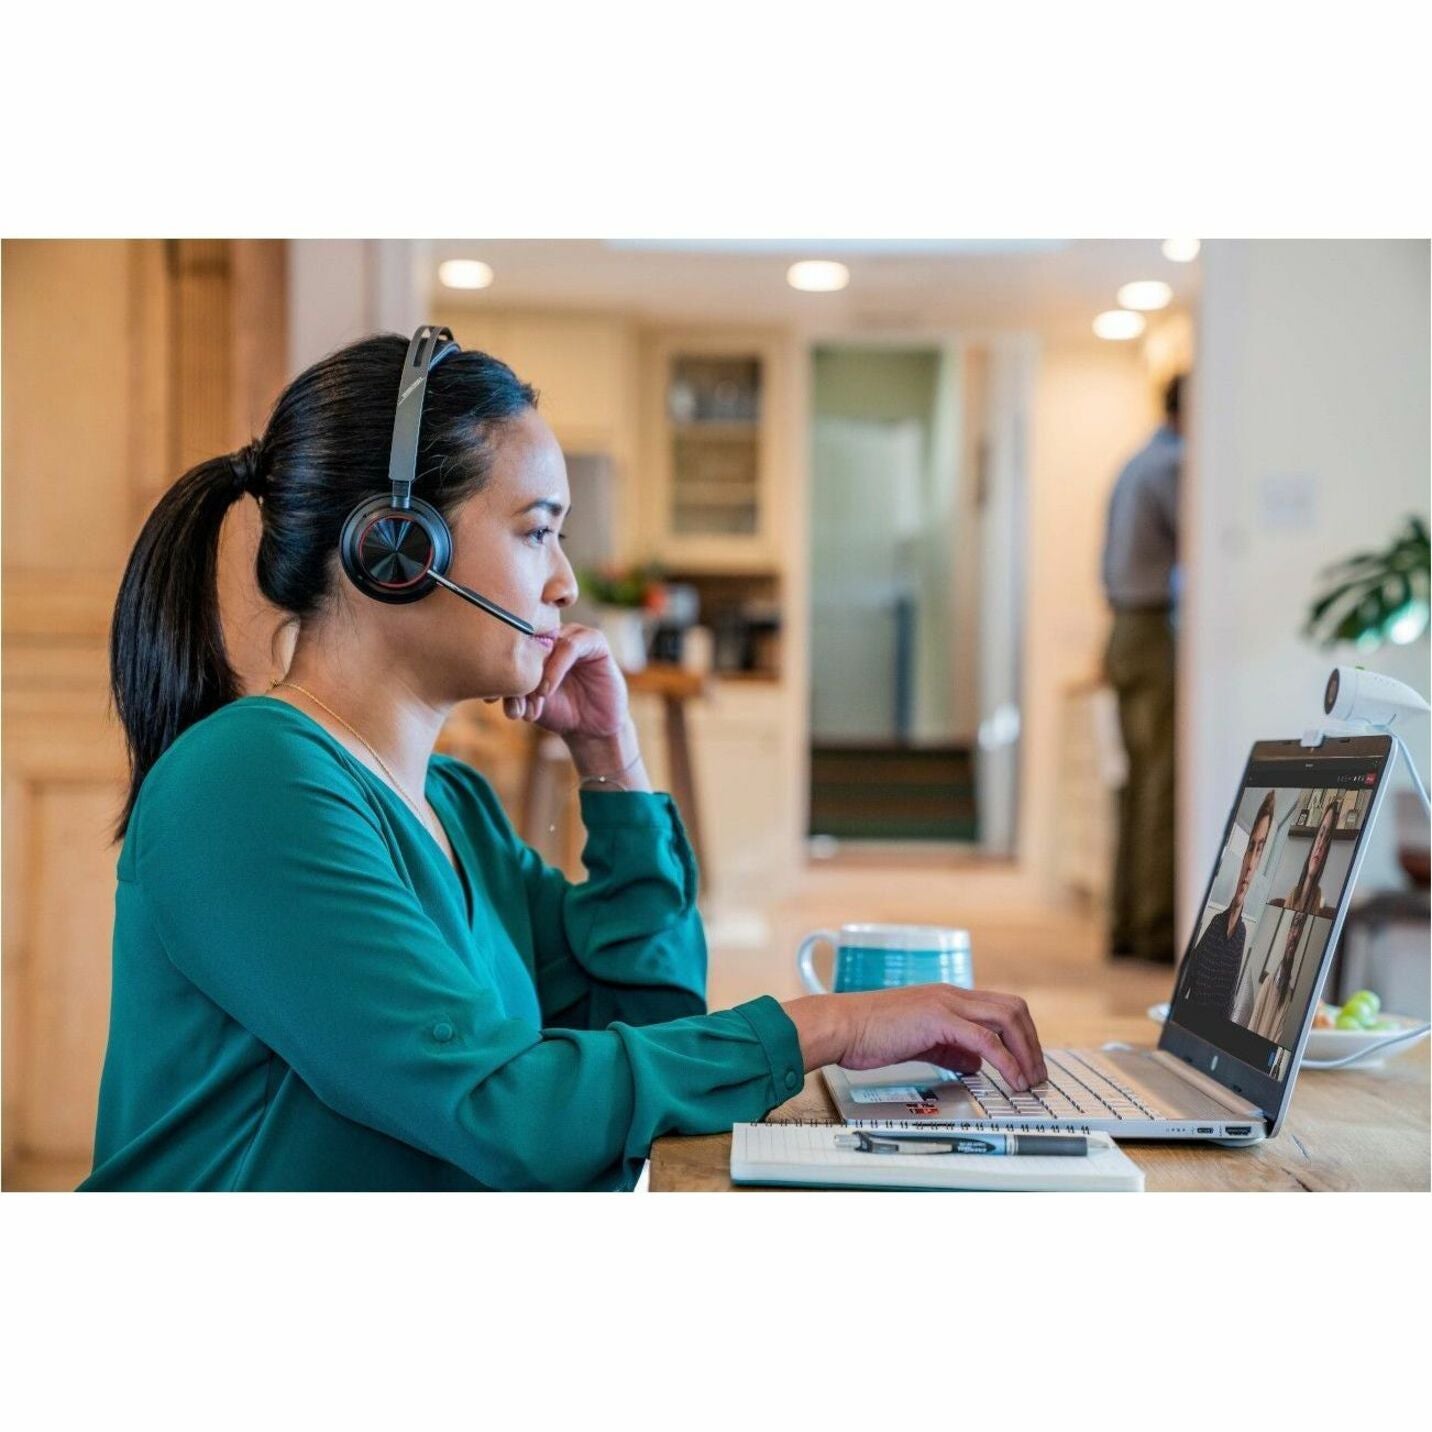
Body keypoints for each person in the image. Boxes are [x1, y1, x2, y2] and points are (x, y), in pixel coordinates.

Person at [81, 331, 1045, 1192]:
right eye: (537, 529)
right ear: (395, 547)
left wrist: (614, 767)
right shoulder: (250, 783)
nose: (565, 581)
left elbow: (641, 1016)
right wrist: (829, 1024)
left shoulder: (449, 804)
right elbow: (511, 1115)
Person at [1102, 373, 1185, 963]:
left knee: (1136, 784)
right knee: (1160, 783)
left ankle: (1127, 925)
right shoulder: (1173, 465)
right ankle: (1155, 930)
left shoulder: (1137, 461)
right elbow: (1199, 541)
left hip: (1125, 628)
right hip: (1154, 629)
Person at [1176, 791, 1275, 1017]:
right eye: (1250, 847)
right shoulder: (1215, 923)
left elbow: (1229, 1002)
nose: (1250, 863)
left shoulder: (1240, 934)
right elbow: (1186, 981)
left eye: (1259, 850)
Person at [1245, 801, 1338, 1041]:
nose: (1320, 844)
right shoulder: (1282, 902)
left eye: (1327, 838)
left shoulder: (1324, 913)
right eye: (1320, 835)